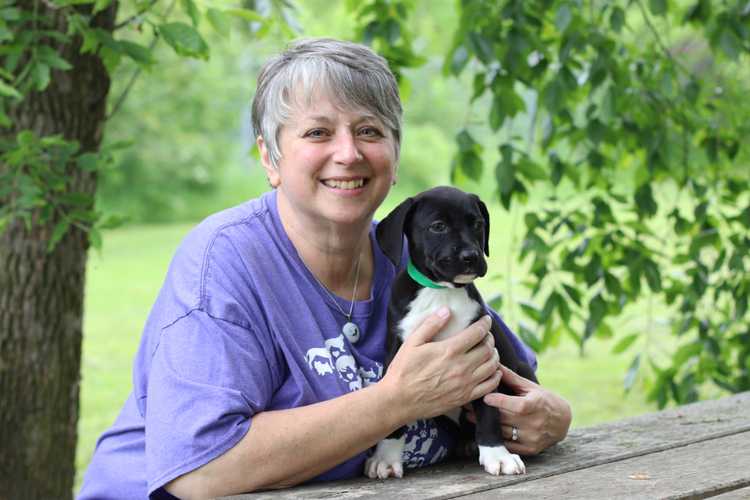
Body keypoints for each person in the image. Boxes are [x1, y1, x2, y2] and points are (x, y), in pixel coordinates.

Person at [77, 38, 571, 500]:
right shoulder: (225, 261)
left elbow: (506, 378)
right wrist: (396, 401)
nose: (348, 153)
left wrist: (551, 416)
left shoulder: (411, 258)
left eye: (369, 131)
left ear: (394, 157)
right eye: (317, 132)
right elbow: (199, 470)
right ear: (270, 157)